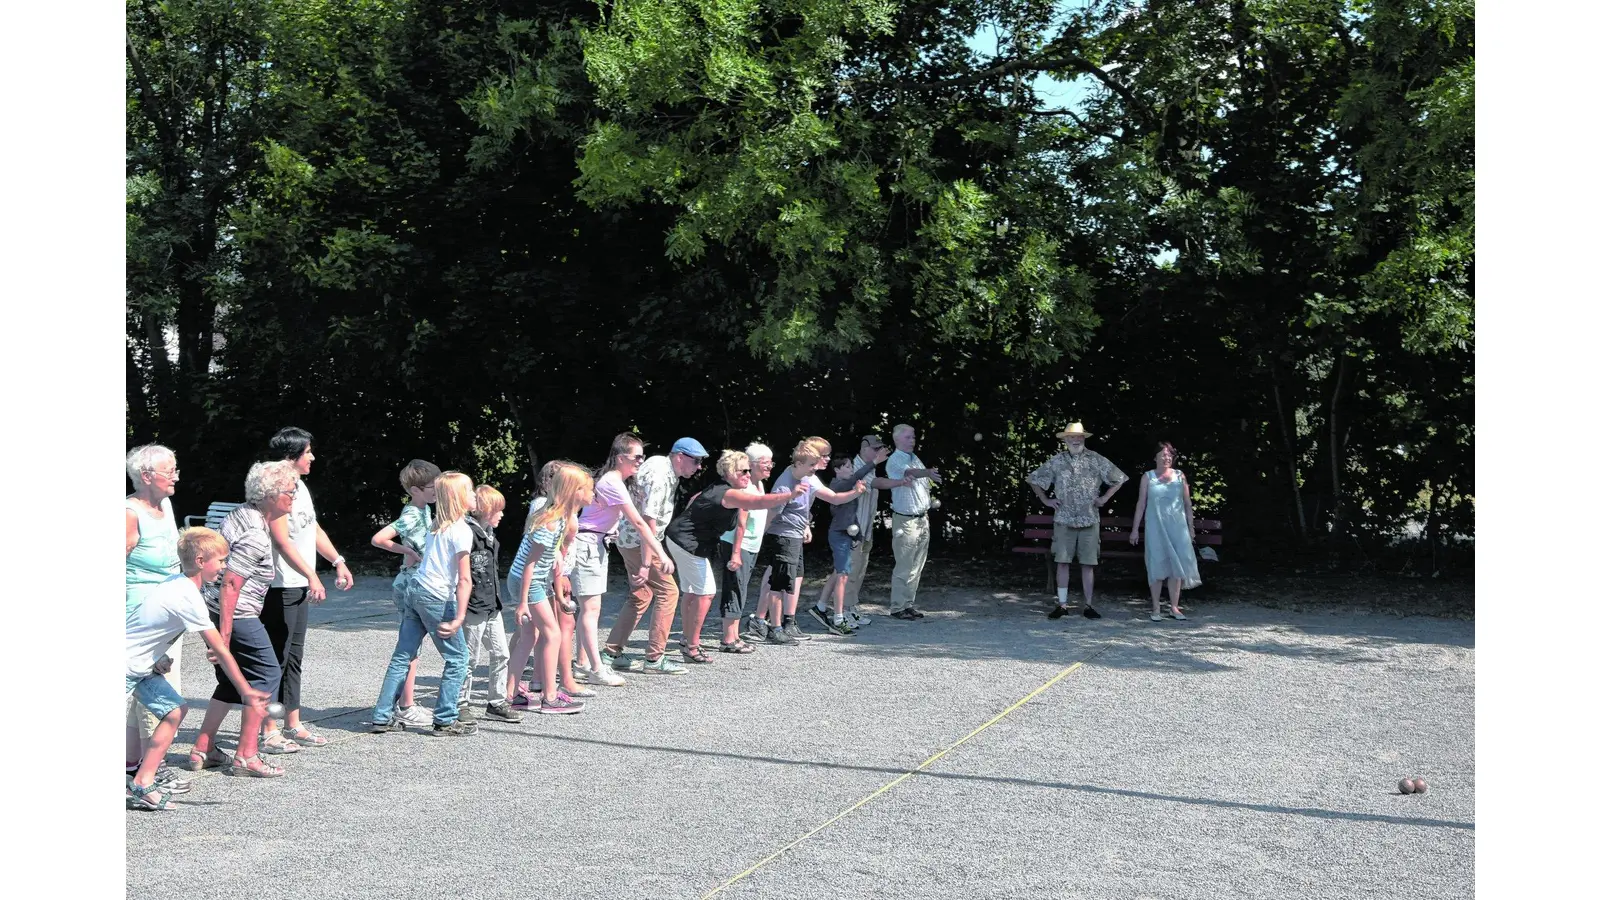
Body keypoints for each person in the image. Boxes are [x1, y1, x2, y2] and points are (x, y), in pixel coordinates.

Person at [126, 528, 271, 810]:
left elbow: (146, 626)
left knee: (175, 710)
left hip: (140, 667)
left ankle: (142, 782)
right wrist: (246, 691)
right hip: (127, 667)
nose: (225, 566)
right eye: (222, 560)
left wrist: (157, 655)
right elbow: (220, 649)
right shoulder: (187, 596)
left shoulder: (177, 584)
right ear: (201, 561)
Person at [185, 461, 297, 777]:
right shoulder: (256, 534)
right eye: (290, 492)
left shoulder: (241, 514)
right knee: (266, 674)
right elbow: (231, 585)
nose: (294, 498)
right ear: (271, 496)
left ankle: (203, 747)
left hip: (218, 609)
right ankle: (247, 755)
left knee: (231, 681)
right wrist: (223, 637)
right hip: (237, 614)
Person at [664, 449, 808, 661]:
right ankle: (692, 647)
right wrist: (790, 495)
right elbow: (758, 503)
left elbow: (695, 498)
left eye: (749, 471)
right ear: (730, 472)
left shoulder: (721, 488)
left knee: (692, 592)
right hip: (687, 543)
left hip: (681, 539)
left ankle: (688, 640)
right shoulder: (729, 493)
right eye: (743, 471)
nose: (748, 475)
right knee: (706, 593)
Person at [261, 427, 354, 751]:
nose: (312, 457)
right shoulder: (275, 488)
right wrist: (312, 575)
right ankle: (268, 729)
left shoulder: (299, 486)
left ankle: (293, 724)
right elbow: (281, 541)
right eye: (307, 452)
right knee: (276, 658)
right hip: (279, 586)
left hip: (297, 583)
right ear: (292, 456)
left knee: (294, 657)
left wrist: (338, 560)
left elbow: (312, 528)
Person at [371, 471, 478, 736]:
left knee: (403, 655)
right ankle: (445, 719)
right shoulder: (461, 530)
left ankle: (382, 716)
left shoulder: (437, 525)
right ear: (459, 497)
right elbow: (464, 579)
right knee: (458, 658)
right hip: (436, 596)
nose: (475, 495)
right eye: (470, 490)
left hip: (415, 590)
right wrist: (459, 617)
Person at [570, 433, 676, 683]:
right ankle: (596, 669)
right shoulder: (612, 482)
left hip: (595, 545)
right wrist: (661, 554)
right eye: (636, 457)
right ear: (620, 458)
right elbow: (639, 523)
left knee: (590, 609)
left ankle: (584, 664)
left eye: (642, 456)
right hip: (587, 546)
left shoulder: (615, 481)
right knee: (590, 610)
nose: (640, 461)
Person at [605, 437, 711, 676]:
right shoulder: (661, 477)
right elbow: (648, 520)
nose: (699, 467)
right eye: (696, 461)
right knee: (669, 592)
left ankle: (611, 652)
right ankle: (654, 658)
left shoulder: (658, 464)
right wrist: (648, 561)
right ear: (680, 457)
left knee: (641, 595)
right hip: (639, 541)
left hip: (629, 539)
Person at [752, 438, 867, 643]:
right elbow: (775, 511)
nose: (827, 459)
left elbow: (814, 501)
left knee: (794, 578)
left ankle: (788, 621)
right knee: (776, 579)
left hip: (795, 532)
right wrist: (758, 537)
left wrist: (805, 524)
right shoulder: (791, 479)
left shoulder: (809, 476)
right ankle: (763, 621)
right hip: (783, 534)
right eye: (824, 456)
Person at [505, 462, 594, 714]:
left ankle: (509, 693)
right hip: (528, 580)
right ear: (574, 491)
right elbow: (530, 565)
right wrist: (523, 602)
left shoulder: (563, 518)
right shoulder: (551, 522)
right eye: (588, 488)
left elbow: (555, 560)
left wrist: (559, 596)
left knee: (529, 637)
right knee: (552, 634)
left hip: (533, 580)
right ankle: (550, 697)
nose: (592, 493)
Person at [125, 444, 188, 787]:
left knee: (144, 691)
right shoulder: (129, 513)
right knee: (161, 692)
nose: (176, 476)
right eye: (170, 471)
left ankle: (132, 764)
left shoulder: (165, 505)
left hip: (168, 613)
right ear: (147, 476)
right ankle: (152, 772)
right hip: (141, 616)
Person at [1027, 422, 1129, 620]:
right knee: (1062, 562)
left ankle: (1088, 606)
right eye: (1071, 437)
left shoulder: (1096, 459)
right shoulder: (1057, 461)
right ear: (1065, 440)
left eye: (1079, 436)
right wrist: (1046, 500)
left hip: (1089, 519)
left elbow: (1119, 478)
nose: (1075, 440)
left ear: (1084, 438)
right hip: (1064, 520)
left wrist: (1104, 498)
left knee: (1088, 564)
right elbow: (1034, 479)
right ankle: (1062, 605)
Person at [368, 459, 442, 729]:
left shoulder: (424, 509)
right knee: (410, 649)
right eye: (432, 488)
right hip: (411, 584)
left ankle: (404, 704)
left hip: (415, 581)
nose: (436, 491)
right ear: (415, 490)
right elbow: (379, 539)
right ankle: (406, 706)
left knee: (412, 648)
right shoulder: (412, 513)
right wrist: (407, 551)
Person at [809, 448, 898, 634]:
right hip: (839, 534)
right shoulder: (838, 484)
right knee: (843, 575)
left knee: (838, 573)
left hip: (847, 534)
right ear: (837, 470)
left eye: (851, 466)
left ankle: (820, 606)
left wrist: (857, 536)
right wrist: (874, 462)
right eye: (847, 467)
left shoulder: (848, 486)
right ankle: (839, 618)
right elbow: (855, 478)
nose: (851, 469)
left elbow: (851, 515)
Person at [459, 484, 518, 722]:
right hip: (473, 605)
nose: (502, 514)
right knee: (469, 658)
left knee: (501, 654)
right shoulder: (468, 533)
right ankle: (460, 702)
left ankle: (496, 701)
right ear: (484, 509)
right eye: (498, 510)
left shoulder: (490, 535)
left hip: (492, 604)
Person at [1129, 441, 1201, 621]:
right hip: (1155, 527)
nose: (1166, 458)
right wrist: (1135, 530)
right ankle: (1156, 607)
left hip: (1177, 527)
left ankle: (1174, 607)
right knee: (1156, 563)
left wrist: (1191, 527)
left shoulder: (1180, 476)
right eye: (1162, 455)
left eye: (1169, 455)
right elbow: (1141, 504)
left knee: (1176, 566)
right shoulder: (1148, 477)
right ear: (1155, 458)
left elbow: (1187, 503)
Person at [716, 442, 775, 652]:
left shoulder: (758, 486)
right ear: (752, 463)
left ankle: (734, 635)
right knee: (734, 588)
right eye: (765, 462)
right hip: (737, 544)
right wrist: (736, 554)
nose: (770, 466)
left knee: (740, 588)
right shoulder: (745, 488)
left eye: (771, 462)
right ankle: (728, 639)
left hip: (750, 545)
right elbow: (741, 523)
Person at [839, 435, 900, 626]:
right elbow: (876, 483)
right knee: (850, 571)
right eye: (875, 449)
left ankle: (851, 607)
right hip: (852, 530)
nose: (878, 452)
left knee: (860, 570)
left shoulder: (870, 468)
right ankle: (842, 611)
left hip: (865, 529)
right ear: (863, 448)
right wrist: (900, 482)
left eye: (880, 449)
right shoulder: (854, 467)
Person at [885, 424, 943, 620]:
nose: (912, 440)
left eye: (913, 437)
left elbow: (918, 475)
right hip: (906, 521)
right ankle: (897, 607)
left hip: (921, 519)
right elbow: (911, 472)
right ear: (897, 439)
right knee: (904, 565)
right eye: (908, 437)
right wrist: (927, 472)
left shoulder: (914, 457)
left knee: (917, 565)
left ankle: (908, 604)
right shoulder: (895, 460)